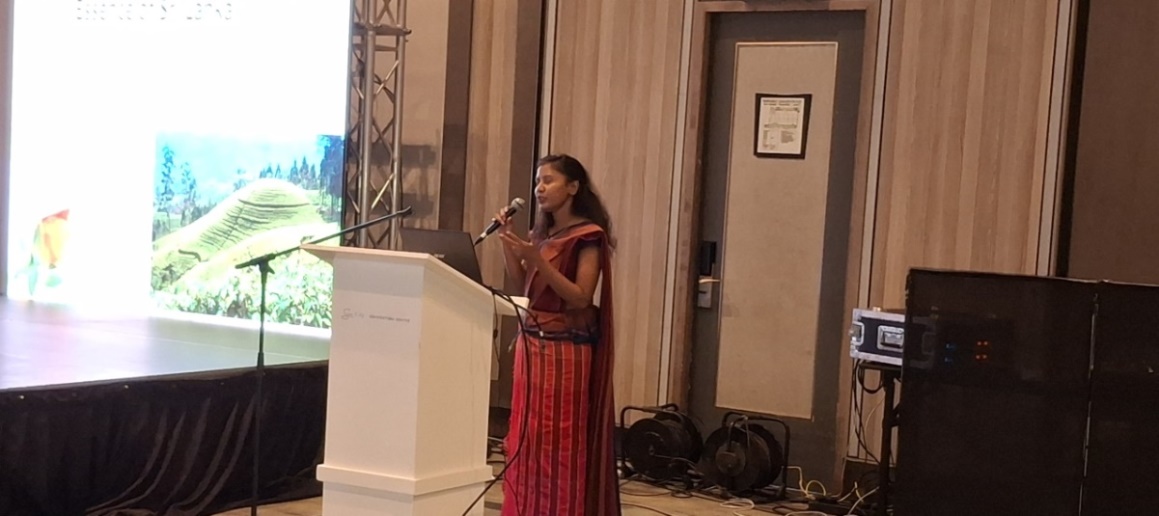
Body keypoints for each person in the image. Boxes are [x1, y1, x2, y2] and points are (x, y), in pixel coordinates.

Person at [493, 154, 621, 516]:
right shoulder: (542, 235)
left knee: (557, 440)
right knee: (527, 439)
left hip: (565, 354)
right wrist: (507, 242)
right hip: (532, 347)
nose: (539, 188)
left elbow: (580, 296)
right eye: (538, 181)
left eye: (548, 180)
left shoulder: (587, 236)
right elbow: (523, 287)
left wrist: (537, 259)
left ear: (573, 187)